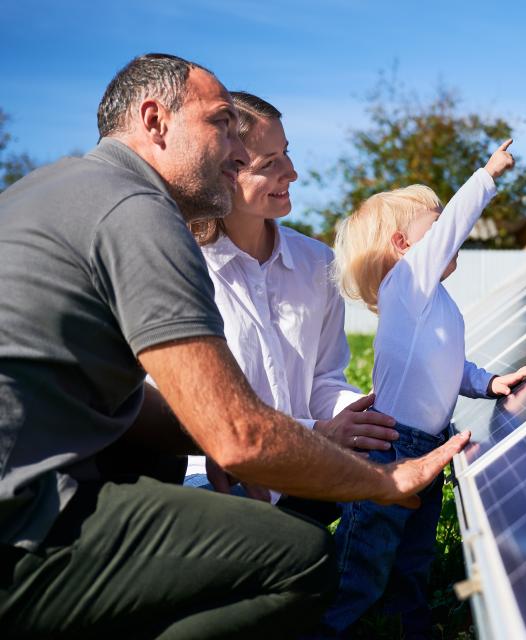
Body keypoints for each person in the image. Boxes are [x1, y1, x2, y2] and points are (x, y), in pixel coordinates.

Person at [0, 53, 468, 638]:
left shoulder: (53, 188)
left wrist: (250, 438)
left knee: (182, 460)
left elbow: (130, 404)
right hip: (24, 523)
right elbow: (237, 436)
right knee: (301, 559)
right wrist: (383, 481)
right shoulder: (139, 214)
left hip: (49, 477)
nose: (231, 148)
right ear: (155, 121)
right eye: (221, 124)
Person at [326, 141, 526, 637]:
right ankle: (329, 629)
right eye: (436, 224)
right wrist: (487, 174)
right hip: (391, 447)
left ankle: (413, 627)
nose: (449, 233)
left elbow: (449, 365)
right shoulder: (408, 283)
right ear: (404, 245)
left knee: (413, 558)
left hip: (430, 445)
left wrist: (488, 382)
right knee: (363, 563)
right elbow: (452, 229)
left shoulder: (435, 300)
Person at [184, 91, 398, 516]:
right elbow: (191, 410)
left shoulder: (317, 263)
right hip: (215, 478)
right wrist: (320, 433)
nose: (293, 173)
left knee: (398, 463)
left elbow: (324, 379)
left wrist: (359, 416)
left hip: (303, 472)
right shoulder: (186, 269)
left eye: (287, 153)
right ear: (225, 173)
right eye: (270, 163)